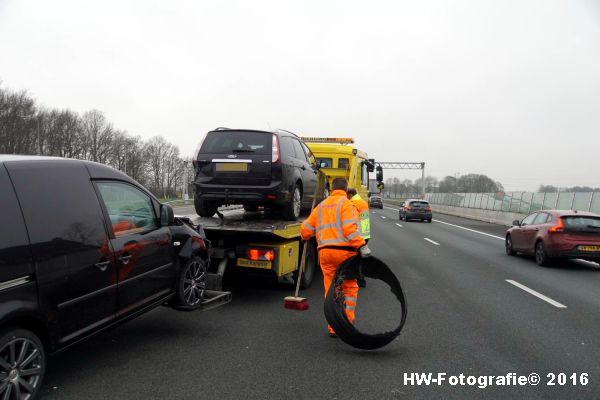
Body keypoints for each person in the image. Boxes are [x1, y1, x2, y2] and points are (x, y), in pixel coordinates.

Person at [300, 178, 371, 338]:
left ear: (332, 189)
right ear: (346, 190)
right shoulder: (348, 205)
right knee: (350, 287)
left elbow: (306, 229)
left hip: (325, 253)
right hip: (346, 254)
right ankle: (347, 323)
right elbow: (349, 230)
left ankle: (333, 327)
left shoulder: (321, 206)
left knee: (332, 288)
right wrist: (362, 245)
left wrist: (304, 236)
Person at [347, 188, 370, 288]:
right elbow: (364, 221)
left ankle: (358, 279)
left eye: (347, 195)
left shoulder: (353, 203)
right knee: (360, 258)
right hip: (364, 234)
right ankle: (361, 280)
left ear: (350, 194)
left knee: (354, 258)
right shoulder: (362, 203)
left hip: (358, 235)